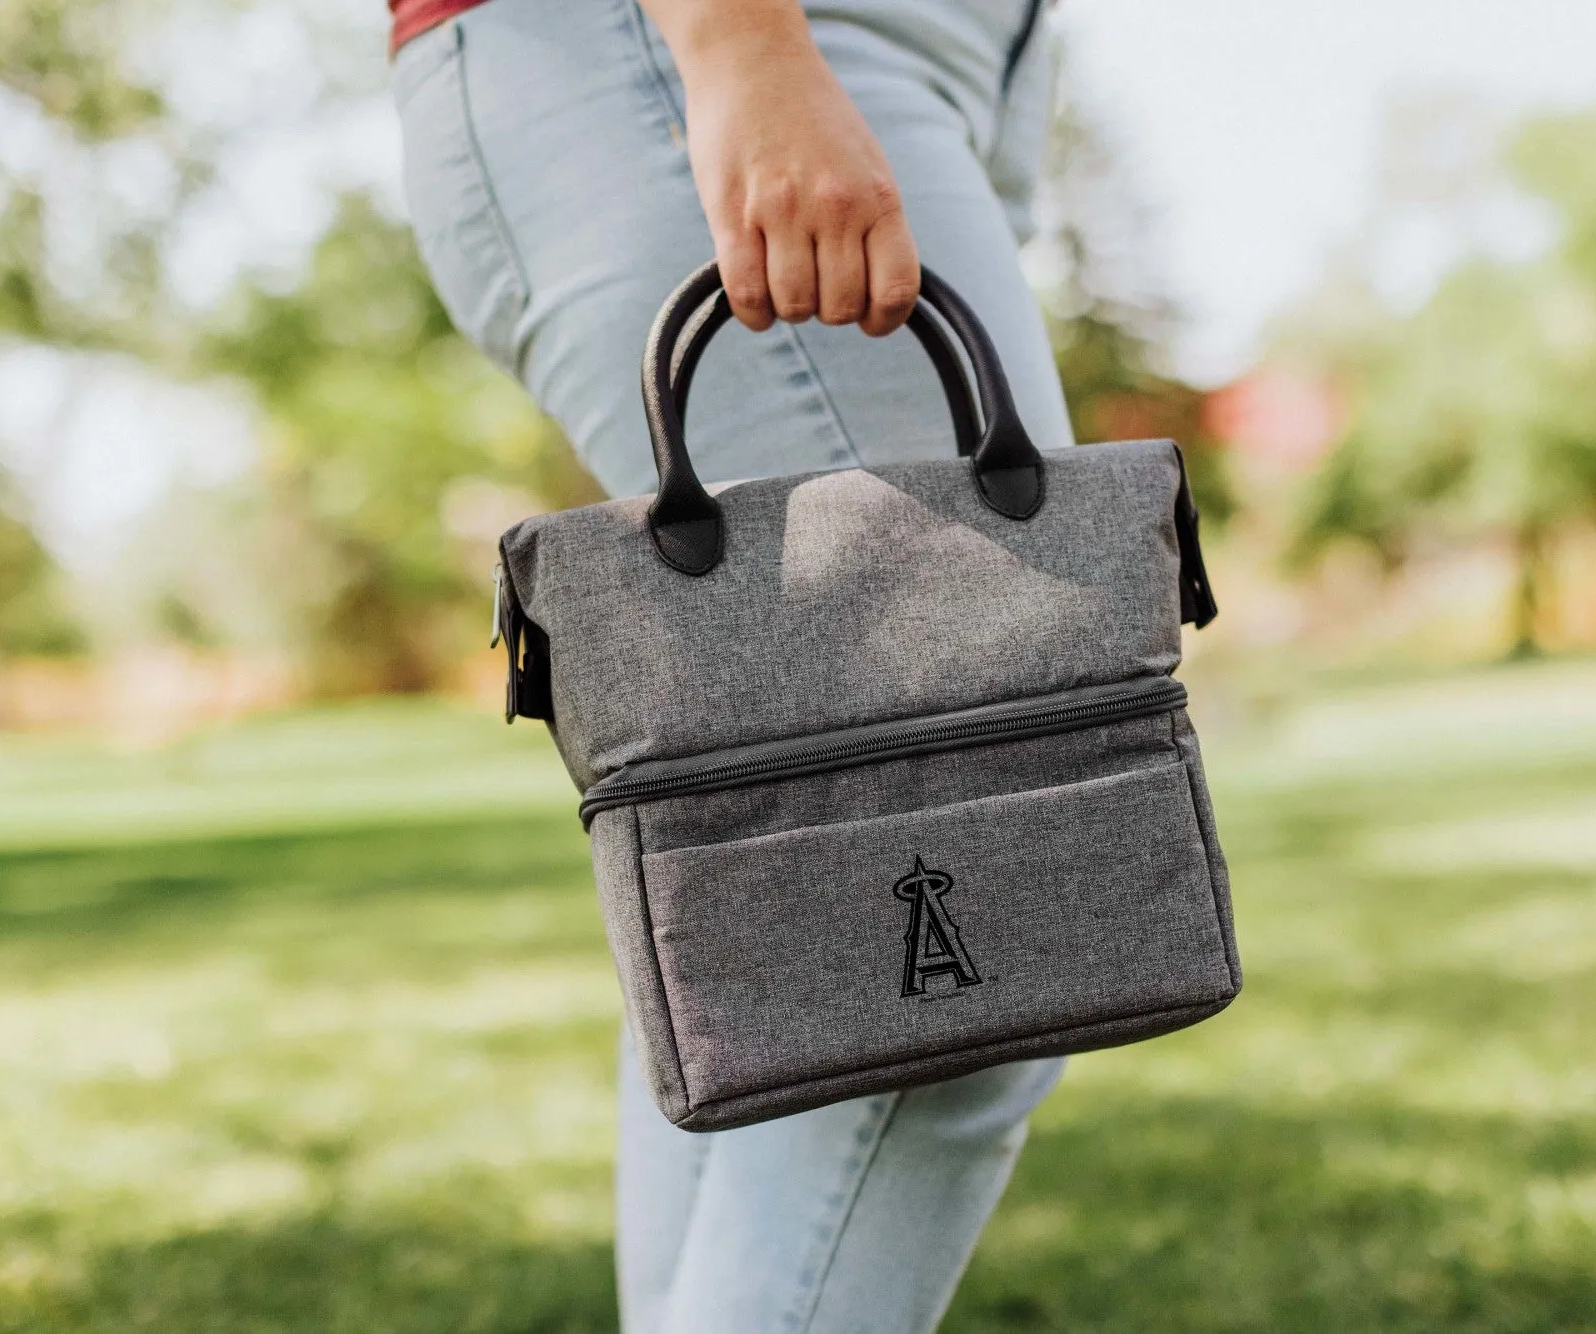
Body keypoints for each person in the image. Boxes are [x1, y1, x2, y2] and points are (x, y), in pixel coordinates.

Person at [389, 0, 1073, 1328]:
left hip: (925, 58)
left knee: (771, 916)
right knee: (970, 933)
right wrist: (741, 46)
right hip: (708, 35)